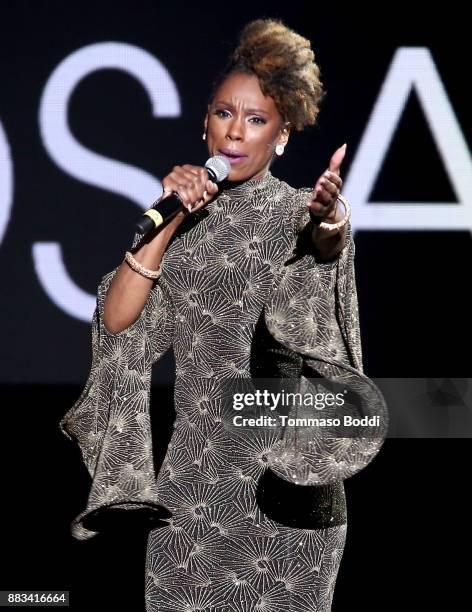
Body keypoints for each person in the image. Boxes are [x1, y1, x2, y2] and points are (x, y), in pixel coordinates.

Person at [60, 18, 386, 611]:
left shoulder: (299, 216)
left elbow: (328, 247)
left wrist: (331, 222)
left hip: (288, 492)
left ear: (282, 134)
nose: (235, 134)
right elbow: (118, 324)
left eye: (256, 120)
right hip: (194, 494)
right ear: (204, 121)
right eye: (223, 114)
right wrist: (168, 220)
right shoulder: (182, 225)